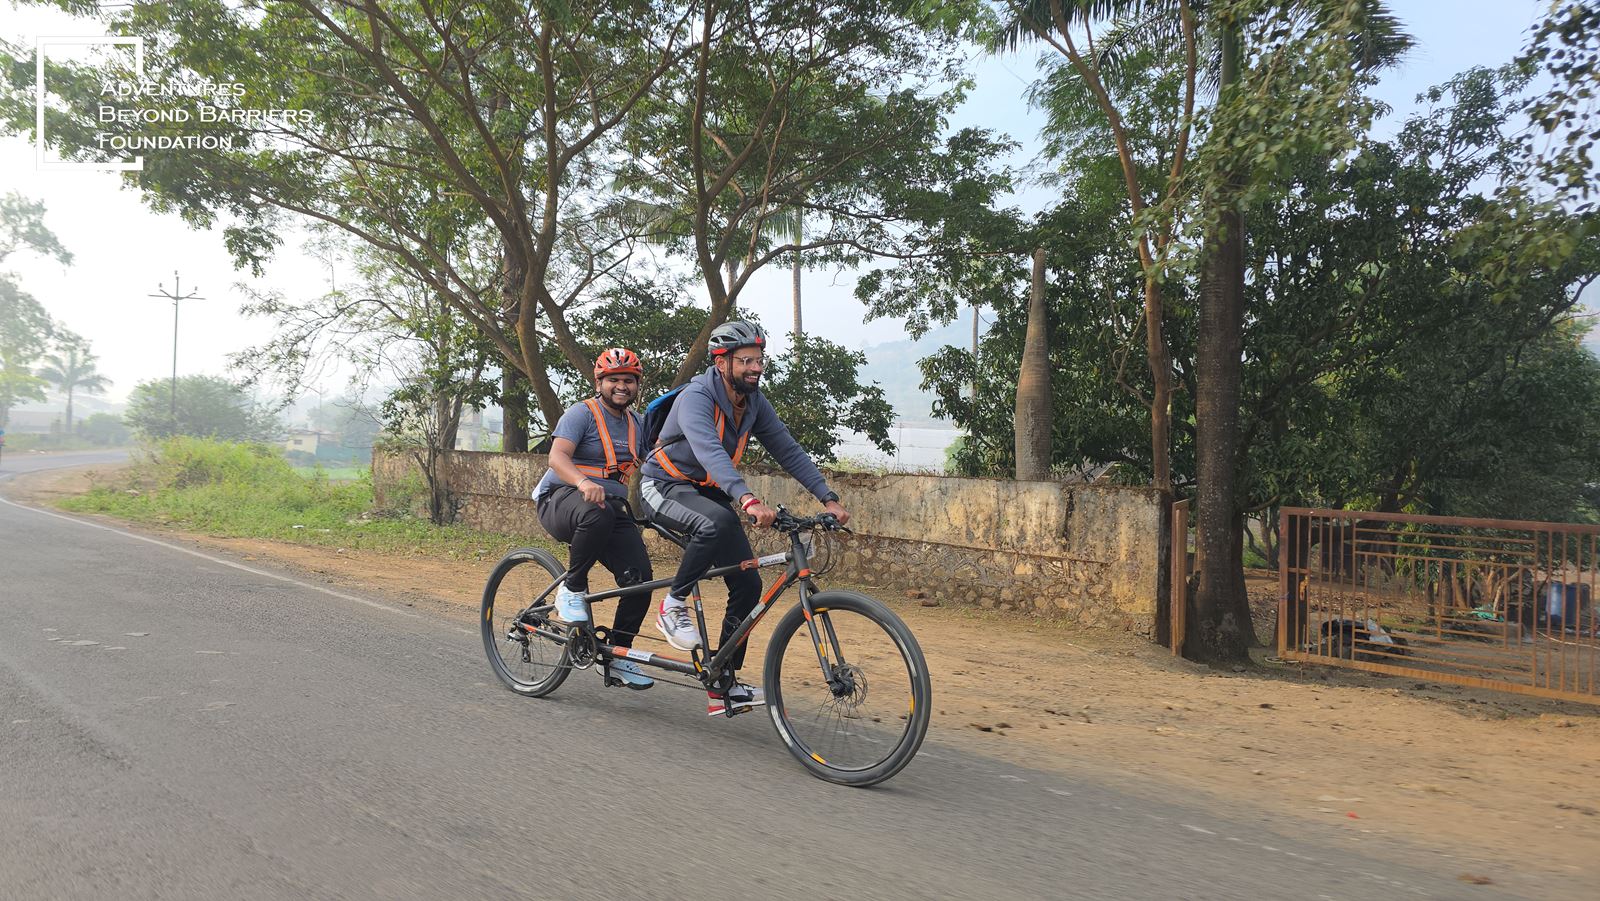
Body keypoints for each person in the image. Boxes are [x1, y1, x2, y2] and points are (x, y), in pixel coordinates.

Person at [638, 320, 850, 715]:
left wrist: (828, 497)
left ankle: (723, 685)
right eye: (746, 360)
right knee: (713, 523)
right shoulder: (697, 397)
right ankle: (673, 605)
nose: (756, 367)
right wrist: (748, 499)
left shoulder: (754, 402)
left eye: (760, 359)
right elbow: (709, 451)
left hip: (709, 492)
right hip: (663, 485)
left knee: (748, 584)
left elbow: (787, 450)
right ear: (722, 362)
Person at [532, 347, 655, 689]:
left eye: (628, 381)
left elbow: (656, 463)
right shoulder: (580, 414)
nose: (621, 386)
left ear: (636, 385)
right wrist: (583, 481)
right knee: (597, 513)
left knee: (640, 578)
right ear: (599, 382)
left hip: (608, 509)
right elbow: (556, 458)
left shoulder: (637, 423)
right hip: (559, 500)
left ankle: (618, 655)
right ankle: (571, 590)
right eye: (613, 379)